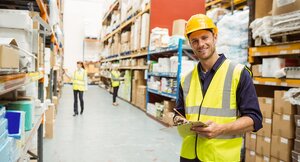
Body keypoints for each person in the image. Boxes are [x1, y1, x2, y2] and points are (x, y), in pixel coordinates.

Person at [173, 14, 263, 162]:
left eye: (204, 38)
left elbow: (255, 119)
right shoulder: (186, 79)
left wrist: (221, 128)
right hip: (189, 156)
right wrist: (178, 119)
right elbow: (179, 111)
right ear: (190, 44)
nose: (200, 44)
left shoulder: (238, 73)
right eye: (194, 41)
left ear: (215, 37)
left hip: (220, 157)